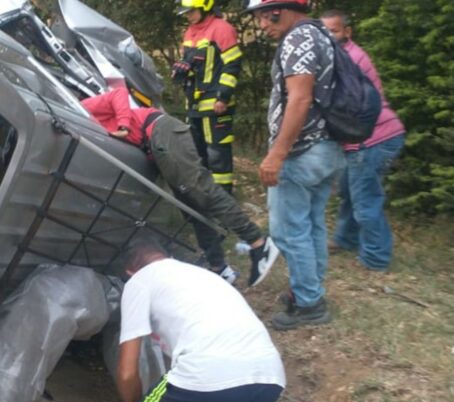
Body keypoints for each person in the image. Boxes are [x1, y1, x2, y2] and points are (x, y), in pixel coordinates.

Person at [82, 87, 279, 287]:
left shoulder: (80, 108)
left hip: (159, 131)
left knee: (200, 189)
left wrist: (124, 125)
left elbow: (119, 93)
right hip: (153, 146)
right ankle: (219, 269)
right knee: (192, 208)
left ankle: (258, 244)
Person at [245, 0, 346, 330]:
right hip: (327, 148)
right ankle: (310, 292)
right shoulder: (321, 34)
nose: (262, 25)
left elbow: (300, 99)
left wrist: (277, 153)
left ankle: (309, 303)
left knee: (288, 232)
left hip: (302, 152)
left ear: (279, 9)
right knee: (312, 224)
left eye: (263, 16)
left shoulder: (297, 39)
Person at [116, 237, 285, 402]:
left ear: (130, 272)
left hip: (207, 370)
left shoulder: (140, 281)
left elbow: (127, 373)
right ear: (167, 257)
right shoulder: (205, 276)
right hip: (270, 375)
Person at [320, 10, 406, 271]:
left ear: (347, 31)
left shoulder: (351, 60)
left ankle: (375, 258)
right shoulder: (340, 56)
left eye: (334, 31)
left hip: (373, 139)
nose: (329, 37)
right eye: (324, 32)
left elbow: (351, 110)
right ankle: (346, 239)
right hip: (364, 139)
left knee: (365, 201)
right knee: (349, 191)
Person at [173, 0, 243, 194]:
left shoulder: (222, 29)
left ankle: (225, 202)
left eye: (192, 11)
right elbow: (192, 64)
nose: (188, 16)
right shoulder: (190, 31)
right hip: (195, 106)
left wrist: (223, 97)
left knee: (218, 156)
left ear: (205, 7)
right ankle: (205, 198)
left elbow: (233, 65)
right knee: (197, 154)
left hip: (216, 105)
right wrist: (181, 69)